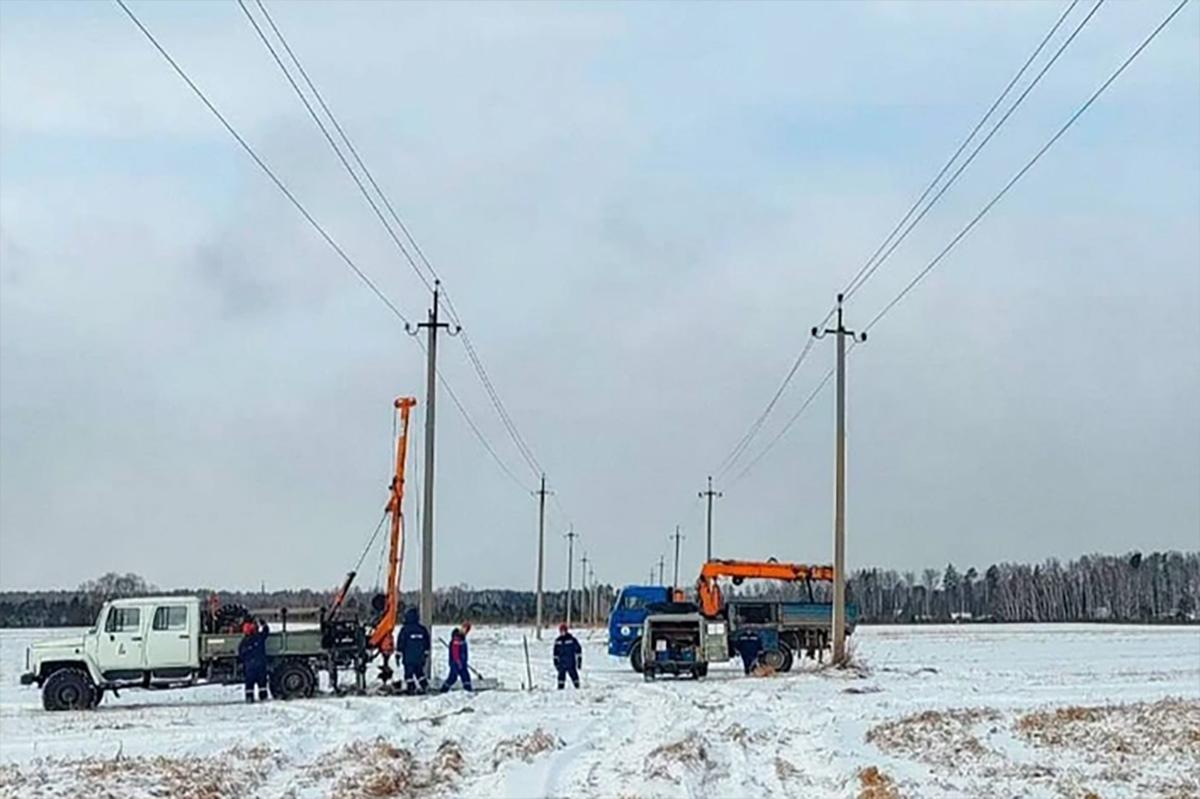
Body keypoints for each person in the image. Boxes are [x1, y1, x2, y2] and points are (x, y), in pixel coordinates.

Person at [396, 607, 430, 695]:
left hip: (408, 658)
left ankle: (411, 688)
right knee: (419, 672)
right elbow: (427, 642)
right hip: (420, 657)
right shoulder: (422, 629)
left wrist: (398, 654)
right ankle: (424, 685)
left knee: (409, 674)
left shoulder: (405, 630)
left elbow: (401, 642)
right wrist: (426, 653)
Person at [238, 618, 271, 702]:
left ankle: (249, 698)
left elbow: (241, 654)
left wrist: (244, 662)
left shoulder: (244, 642)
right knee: (262, 683)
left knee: (249, 683)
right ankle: (263, 697)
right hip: (260, 664)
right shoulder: (259, 638)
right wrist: (264, 624)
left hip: (250, 666)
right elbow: (266, 632)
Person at [439, 626, 472, 693]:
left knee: (465, 676)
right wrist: (458, 662)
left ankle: (468, 689)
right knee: (453, 677)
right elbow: (455, 653)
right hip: (456, 663)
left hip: (462, 662)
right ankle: (444, 689)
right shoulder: (457, 639)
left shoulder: (462, 639)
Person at [553, 623, 582, 689]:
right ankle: (560, 689)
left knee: (574, 676)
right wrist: (555, 662)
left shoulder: (572, 640)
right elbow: (555, 653)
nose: (563, 632)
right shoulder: (558, 641)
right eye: (561, 631)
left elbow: (578, 650)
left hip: (571, 663)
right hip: (561, 663)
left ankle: (577, 688)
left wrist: (579, 661)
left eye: (564, 631)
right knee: (561, 678)